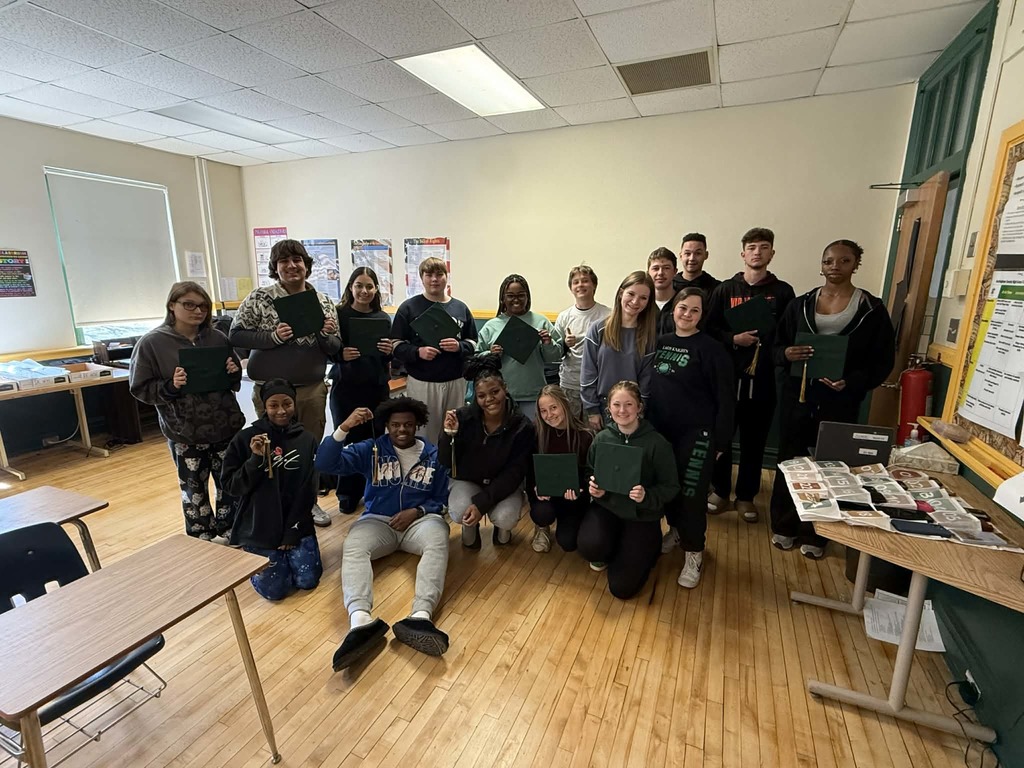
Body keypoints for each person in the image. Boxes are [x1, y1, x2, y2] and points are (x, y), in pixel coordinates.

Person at [769, 240, 896, 559]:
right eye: (828, 261)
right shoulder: (800, 304)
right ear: (821, 264)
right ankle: (784, 525)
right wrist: (786, 353)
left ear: (856, 264)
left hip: (840, 399)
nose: (835, 266)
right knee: (790, 461)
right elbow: (775, 347)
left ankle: (818, 533)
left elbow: (882, 360)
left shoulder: (871, 309)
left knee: (829, 465)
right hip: (798, 396)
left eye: (843, 260)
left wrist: (852, 382)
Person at [315, 398, 452, 670]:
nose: (402, 430)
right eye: (396, 425)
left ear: (418, 425)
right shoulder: (372, 449)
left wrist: (419, 510)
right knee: (353, 544)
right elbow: (325, 463)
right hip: (378, 521)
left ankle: (421, 616)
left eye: (408, 425)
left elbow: (441, 496)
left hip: (418, 523)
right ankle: (360, 620)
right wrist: (343, 427)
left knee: (439, 537)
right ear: (386, 426)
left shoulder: (434, 455)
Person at [229, 239, 340, 527]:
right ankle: (275, 504)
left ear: (307, 265)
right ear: (275, 268)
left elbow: (335, 346)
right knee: (273, 448)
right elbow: (237, 335)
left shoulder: (324, 301)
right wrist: (272, 338)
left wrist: (326, 335)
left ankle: (309, 503)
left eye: (297, 260)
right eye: (284, 261)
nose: (292, 266)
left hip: (311, 388)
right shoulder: (259, 298)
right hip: (270, 390)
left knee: (309, 447)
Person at [130, 281, 245, 541]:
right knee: (194, 488)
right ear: (172, 306)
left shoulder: (217, 338)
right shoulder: (152, 343)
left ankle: (231, 528)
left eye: (203, 306)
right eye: (189, 305)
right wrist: (171, 386)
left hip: (224, 424)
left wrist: (232, 372)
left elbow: (234, 377)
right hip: (185, 429)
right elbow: (140, 388)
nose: (197, 311)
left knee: (230, 482)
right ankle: (201, 534)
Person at [705, 228, 795, 523]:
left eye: (764, 247)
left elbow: (787, 334)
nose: (757, 252)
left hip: (764, 380)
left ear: (772, 253)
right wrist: (733, 338)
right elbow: (709, 330)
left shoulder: (783, 292)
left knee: (754, 443)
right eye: (752, 247)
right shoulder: (724, 291)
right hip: (727, 381)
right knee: (722, 439)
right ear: (743, 254)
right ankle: (719, 490)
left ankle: (746, 497)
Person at [650, 288, 734, 589]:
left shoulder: (711, 349)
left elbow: (726, 399)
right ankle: (675, 530)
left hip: (697, 436)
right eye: (682, 308)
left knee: (692, 494)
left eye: (694, 310)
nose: (687, 314)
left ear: (702, 315)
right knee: (668, 489)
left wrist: (721, 442)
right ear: (673, 309)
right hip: (661, 433)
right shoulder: (660, 343)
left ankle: (694, 552)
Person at [221, 379, 323, 601]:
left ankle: (287, 552)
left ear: (294, 404)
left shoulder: (306, 440)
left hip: (296, 521)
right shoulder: (245, 439)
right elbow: (231, 485)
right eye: (273, 405)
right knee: (275, 591)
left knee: (307, 581)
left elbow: (308, 489)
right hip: (260, 526)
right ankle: (259, 558)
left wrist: (292, 532)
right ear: (264, 407)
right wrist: (255, 459)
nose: (281, 411)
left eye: (287, 404)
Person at [577, 381, 679, 599]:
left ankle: (645, 547)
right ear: (609, 409)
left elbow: (671, 487)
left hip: (641, 515)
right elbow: (589, 473)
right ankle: (617, 546)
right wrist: (594, 488)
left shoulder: (657, 443)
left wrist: (647, 496)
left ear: (639, 407)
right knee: (588, 546)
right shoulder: (602, 438)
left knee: (622, 588)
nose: (622, 411)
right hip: (608, 508)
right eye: (617, 405)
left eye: (629, 404)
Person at [439, 355, 536, 548]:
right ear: (475, 396)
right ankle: (470, 526)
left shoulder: (522, 426)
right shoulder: (462, 418)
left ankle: (502, 531)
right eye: (482, 396)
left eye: (495, 392)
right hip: (469, 480)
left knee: (506, 517)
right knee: (459, 510)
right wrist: (449, 435)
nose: (489, 399)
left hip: (503, 484)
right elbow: (446, 462)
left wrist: (481, 504)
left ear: (505, 388)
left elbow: (514, 473)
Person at [390, 257, 478, 445]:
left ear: (446, 277)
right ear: (421, 278)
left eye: (439, 274)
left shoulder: (460, 307)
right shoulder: (408, 308)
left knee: (454, 432)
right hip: (422, 382)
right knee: (424, 433)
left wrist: (459, 346)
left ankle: (451, 472)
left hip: (455, 381)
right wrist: (417, 352)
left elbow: (474, 343)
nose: (434, 279)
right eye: (429, 275)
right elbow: (395, 345)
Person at [329, 267, 393, 514]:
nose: (364, 291)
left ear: (376, 289)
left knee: (374, 441)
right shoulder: (337, 315)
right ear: (350, 287)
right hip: (346, 388)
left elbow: (388, 359)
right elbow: (326, 349)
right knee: (347, 440)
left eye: (369, 286)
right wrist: (339, 354)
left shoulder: (383, 318)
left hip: (375, 388)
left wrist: (390, 350)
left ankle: (372, 490)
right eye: (359, 286)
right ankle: (347, 493)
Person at [478, 274, 562, 420]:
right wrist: (490, 354)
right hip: (501, 397)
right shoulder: (491, 326)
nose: (516, 299)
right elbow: (476, 358)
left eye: (521, 295)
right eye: (510, 296)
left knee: (533, 438)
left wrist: (548, 343)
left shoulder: (541, 322)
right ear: (503, 299)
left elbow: (554, 357)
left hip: (534, 394)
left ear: (527, 297)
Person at [580, 271, 657, 429]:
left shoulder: (648, 337)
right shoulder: (598, 329)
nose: (635, 301)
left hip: (632, 410)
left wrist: (640, 411)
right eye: (631, 294)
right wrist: (592, 409)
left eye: (643, 298)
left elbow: (646, 379)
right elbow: (588, 372)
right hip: (602, 408)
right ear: (621, 293)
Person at [528, 384, 594, 554]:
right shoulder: (537, 432)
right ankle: (542, 528)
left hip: (572, 499)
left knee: (568, 542)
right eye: (543, 411)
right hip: (546, 497)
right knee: (542, 513)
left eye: (553, 408)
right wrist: (536, 488)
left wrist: (580, 491)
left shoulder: (584, 436)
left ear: (564, 405)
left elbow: (590, 475)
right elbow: (530, 469)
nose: (549, 415)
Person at [553, 265, 611, 419]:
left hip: (597, 385)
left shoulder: (608, 315)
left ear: (594, 285)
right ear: (571, 288)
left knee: (593, 431)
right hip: (570, 384)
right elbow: (554, 352)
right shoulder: (564, 317)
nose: (580, 285)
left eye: (585, 281)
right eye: (576, 282)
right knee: (570, 431)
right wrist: (565, 344)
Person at [648, 247, 680, 335]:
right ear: (648, 273)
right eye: (655, 268)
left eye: (666, 268)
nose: (660, 273)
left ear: (675, 272)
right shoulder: (642, 303)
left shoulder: (683, 303)